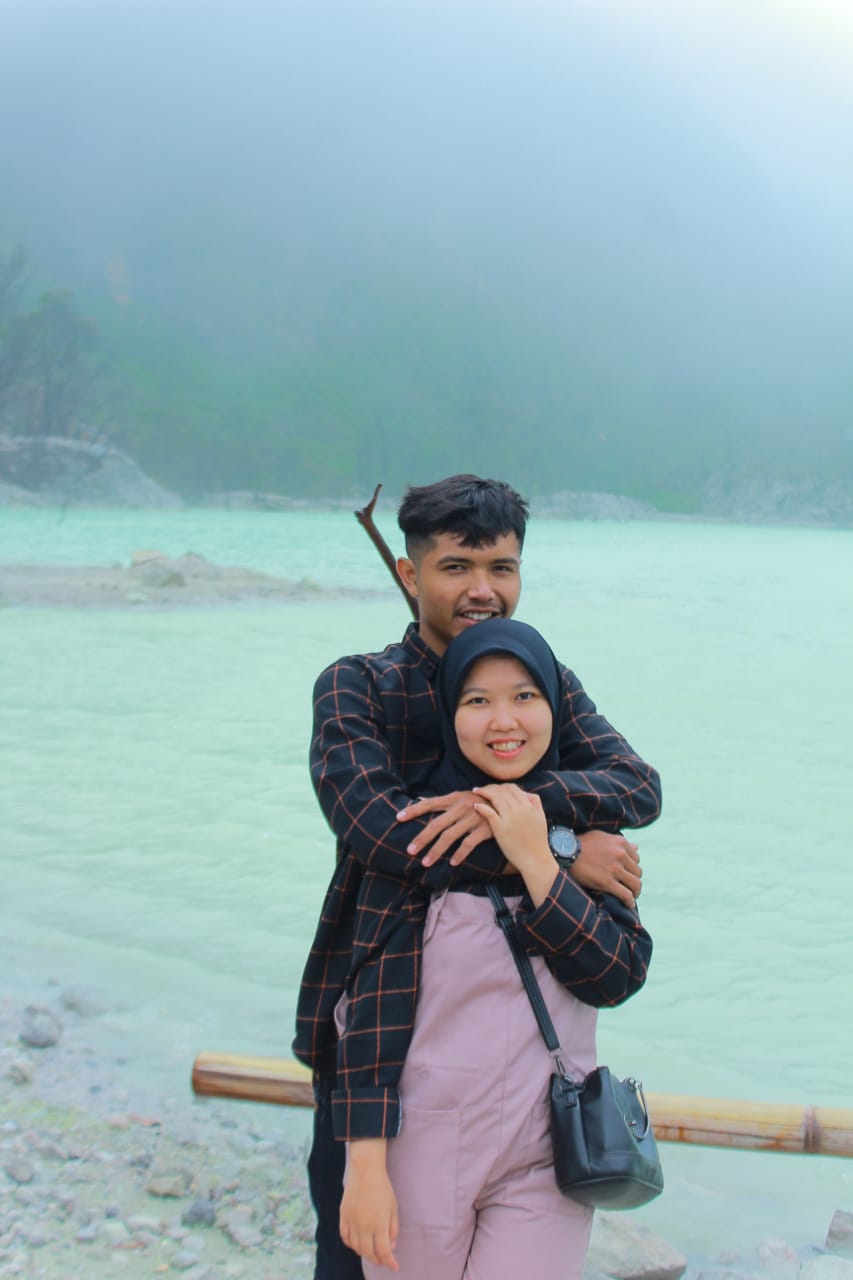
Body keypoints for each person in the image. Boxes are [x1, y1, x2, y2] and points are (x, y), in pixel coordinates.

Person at [293, 474, 661, 1280]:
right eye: (456, 567)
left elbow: (636, 788)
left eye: (501, 567)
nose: (482, 590)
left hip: (522, 1078)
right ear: (409, 573)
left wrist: (532, 822)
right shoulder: (360, 686)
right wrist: (564, 851)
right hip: (377, 1042)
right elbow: (382, 832)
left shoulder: (539, 684)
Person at [338, 618, 653, 1277]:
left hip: (551, 1145)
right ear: (449, 716)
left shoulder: (583, 839)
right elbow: (370, 1008)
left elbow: (615, 976)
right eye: (476, 700)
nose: (503, 721)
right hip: (422, 1144)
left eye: (525, 696)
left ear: (556, 708)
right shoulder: (421, 840)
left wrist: (540, 859)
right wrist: (364, 1167)